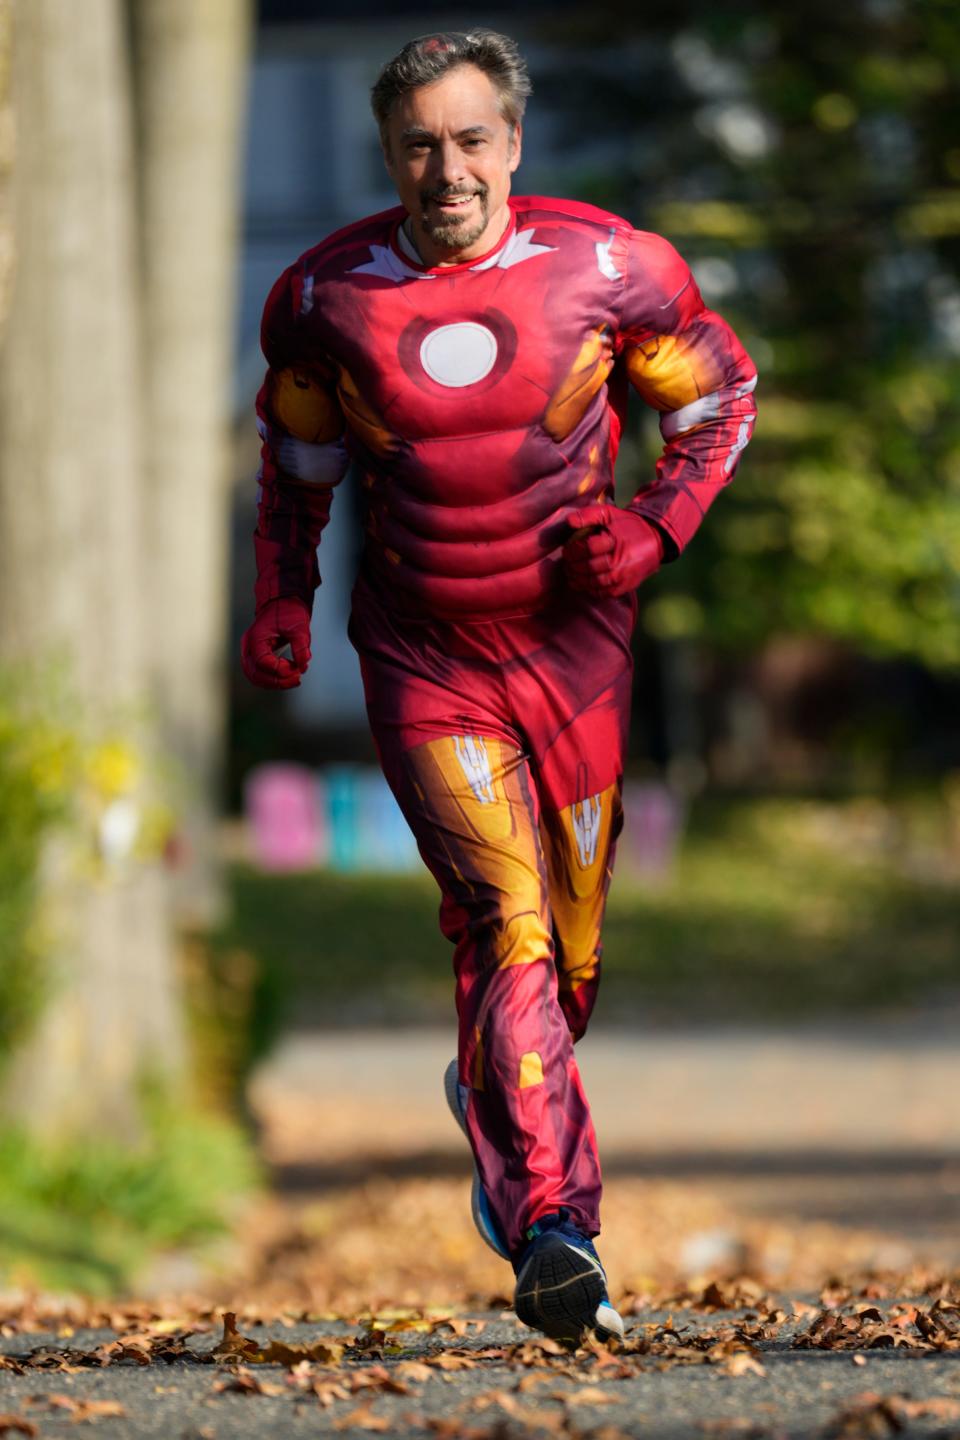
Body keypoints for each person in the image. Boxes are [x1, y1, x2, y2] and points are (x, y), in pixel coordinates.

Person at [241, 29, 757, 1343]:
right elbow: (298, 467)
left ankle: (497, 1093)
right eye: (420, 143)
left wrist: (653, 531)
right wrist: (284, 599)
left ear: (514, 147)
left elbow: (718, 397)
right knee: (505, 913)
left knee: (570, 954)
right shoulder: (322, 297)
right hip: (423, 652)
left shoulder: (611, 269)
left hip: (578, 647)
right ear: (390, 155)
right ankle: (552, 1226)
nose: (446, 167)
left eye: (472, 139)